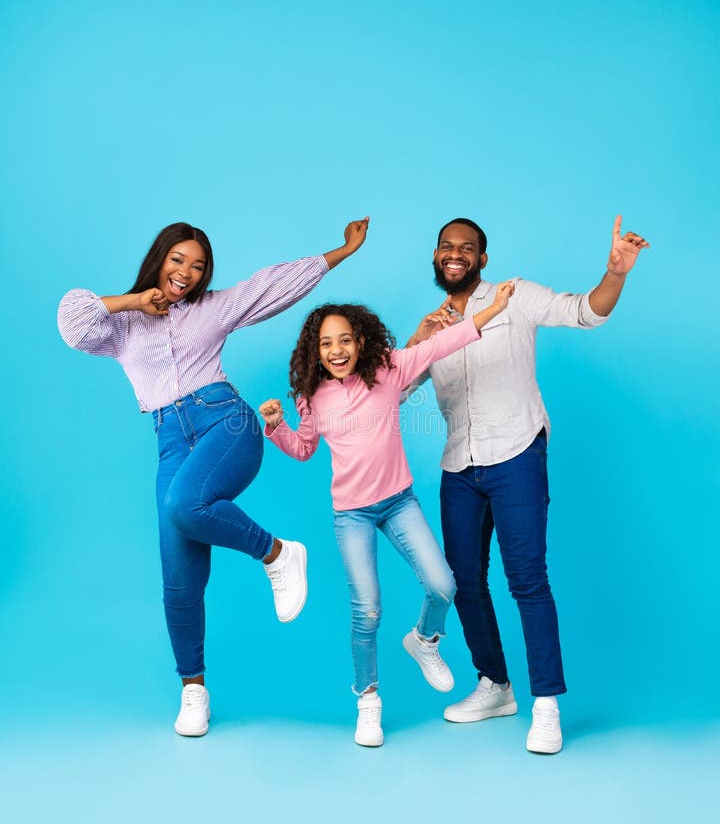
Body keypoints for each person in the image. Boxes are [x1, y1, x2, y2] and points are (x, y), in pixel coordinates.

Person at [57, 216, 369, 737]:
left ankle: (276, 552)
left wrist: (342, 252)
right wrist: (137, 301)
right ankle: (194, 691)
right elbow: (72, 321)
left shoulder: (214, 307)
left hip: (224, 420)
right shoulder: (122, 326)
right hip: (170, 438)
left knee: (184, 504)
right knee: (178, 578)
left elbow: (274, 284)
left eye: (197, 266)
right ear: (159, 259)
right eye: (177, 260)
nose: (186, 272)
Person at [406, 215, 650, 754]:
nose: (454, 254)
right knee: (462, 580)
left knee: (527, 579)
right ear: (435, 256)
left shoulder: (516, 295)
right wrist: (420, 338)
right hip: (458, 466)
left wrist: (615, 273)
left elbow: (586, 311)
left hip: (517, 451)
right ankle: (494, 685)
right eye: (446, 247)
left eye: (466, 248)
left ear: (482, 258)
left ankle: (546, 705)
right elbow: (393, 388)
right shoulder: (435, 323)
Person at [258, 281, 515, 747]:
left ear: (361, 342)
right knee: (368, 610)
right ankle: (369, 700)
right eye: (326, 343)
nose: (337, 350)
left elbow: (441, 343)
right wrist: (276, 427)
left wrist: (492, 309)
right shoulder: (310, 395)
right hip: (351, 515)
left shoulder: (387, 369)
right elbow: (303, 449)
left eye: (345, 340)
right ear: (315, 351)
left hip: (399, 502)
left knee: (444, 584)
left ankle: (425, 639)